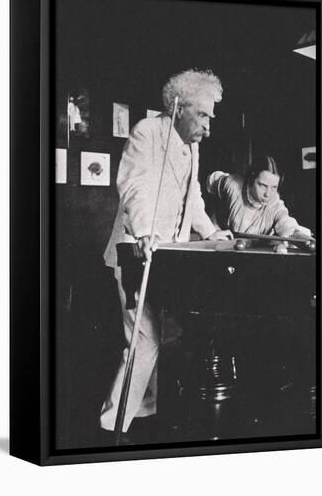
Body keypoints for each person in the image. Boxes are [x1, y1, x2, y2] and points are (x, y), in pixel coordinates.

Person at [100, 69, 232, 440]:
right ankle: (112, 427)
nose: (208, 126)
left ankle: (144, 412)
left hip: (167, 257)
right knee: (147, 338)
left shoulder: (192, 146)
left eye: (210, 118)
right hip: (135, 249)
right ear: (178, 107)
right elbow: (134, 186)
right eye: (202, 115)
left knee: (159, 334)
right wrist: (144, 232)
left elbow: (193, 198)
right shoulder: (148, 132)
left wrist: (209, 231)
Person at [206, 155, 312, 242]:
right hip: (217, 242)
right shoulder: (231, 184)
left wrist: (301, 237)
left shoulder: (275, 204)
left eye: (274, 187)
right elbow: (210, 182)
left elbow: (286, 222)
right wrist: (211, 227)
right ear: (251, 179)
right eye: (263, 185)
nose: (268, 194)